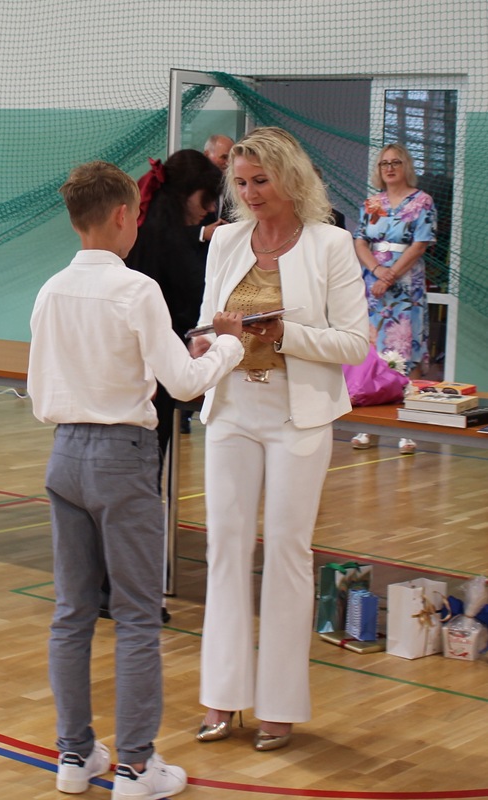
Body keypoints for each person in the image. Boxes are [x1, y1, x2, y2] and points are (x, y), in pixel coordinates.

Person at [27, 160, 244, 800]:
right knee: (137, 618)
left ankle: (75, 756)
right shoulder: (136, 289)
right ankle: (136, 767)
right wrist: (228, 348)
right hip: (121, 459)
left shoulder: (50, 290)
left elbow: (42, 392)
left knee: (71, 614)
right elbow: (183, 383)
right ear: (124, 215)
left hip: (64, 455)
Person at [190, 127, 369, 751]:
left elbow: (355, 344)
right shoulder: (225, 241)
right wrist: (205, 342)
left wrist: (282, 335)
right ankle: (221, 697)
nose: (249, 194)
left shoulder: (331, 244)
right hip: (232, 408)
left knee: (289, 554)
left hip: (299, 416)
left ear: (291, 178)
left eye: (260, 181)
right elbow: (210, 322)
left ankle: (280, 707)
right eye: (240, 183)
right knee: (225, 549)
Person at [126, 149, 223, 452]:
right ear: (185, 193)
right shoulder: (167, 242)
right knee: (145, 459)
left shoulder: (145, 231)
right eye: (206, 198)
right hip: (155, 368)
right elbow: (186, 307)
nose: (210, 208)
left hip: (137, 365)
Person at [351, 143, 437, 455]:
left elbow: (420, 244)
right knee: (373, 351)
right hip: (373, 284)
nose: (389, 168)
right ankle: (369, 427)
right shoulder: (372, 203)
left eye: (396, 162)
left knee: (407, 349)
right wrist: (376, 271)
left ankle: (408, 428)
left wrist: (389, 276)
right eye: (384, 163)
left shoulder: (422, 201)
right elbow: (360, 241)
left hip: (406, 286)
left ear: (406, 166)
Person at [203, 133, 235, 222]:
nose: (229, 163)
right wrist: (203, 229)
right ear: (206, 155)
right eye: (224, 157)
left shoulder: (235, 185)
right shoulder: (191, 182)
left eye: (232, 158)